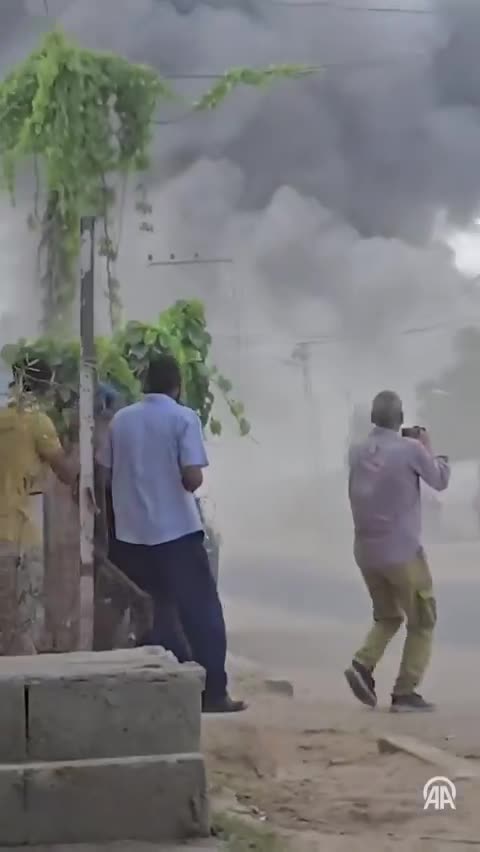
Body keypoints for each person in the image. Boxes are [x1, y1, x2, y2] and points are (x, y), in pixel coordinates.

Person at [97, 353, 246, 714]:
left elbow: (103, 473)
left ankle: (169, 691)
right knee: (202, 613)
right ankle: (213, 694)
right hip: (176, 533)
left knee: (156, 612)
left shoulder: (121, 421)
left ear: (145, 383)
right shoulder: (183, 418)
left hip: (130, 537)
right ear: (176, 385)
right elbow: (192, 477)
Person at [345, 390, 450, 713]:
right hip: (402, 552)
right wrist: (429, 448)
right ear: (400, 418)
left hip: (365, 550)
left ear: (373, 418)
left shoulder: (357, 451)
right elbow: (440, 480)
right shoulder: (411, 449)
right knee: (423, 619)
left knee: (388, 615)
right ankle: (405, 692)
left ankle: (363, 665)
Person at [0, 359, 77, 654]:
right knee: (23, 623)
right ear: (46, 386)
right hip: (20, 534)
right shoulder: (36, 421)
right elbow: (67, 472)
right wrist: (85, 435)